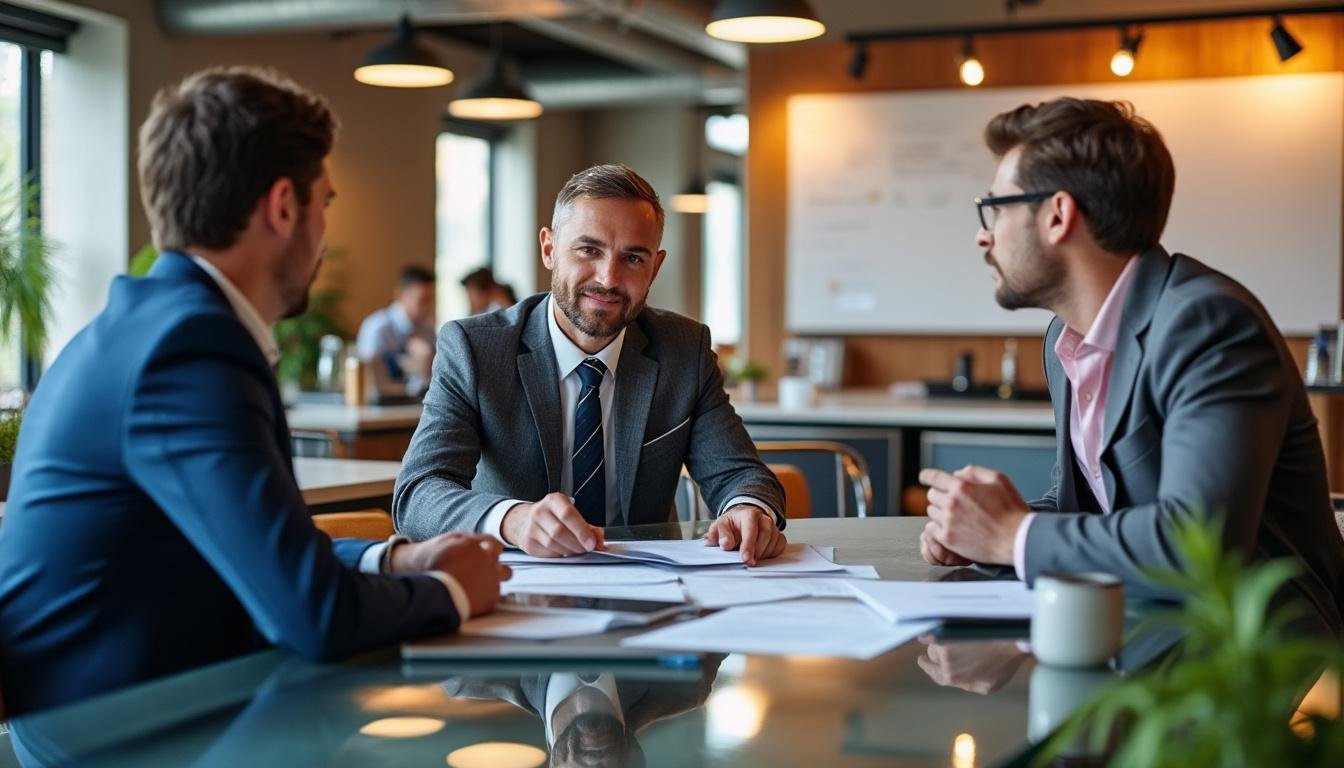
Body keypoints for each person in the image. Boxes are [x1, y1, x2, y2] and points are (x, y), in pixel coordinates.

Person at [0, 67, 508, 716]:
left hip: (166, 703)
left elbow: (264, 547)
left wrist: (394, 559)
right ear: (283, 207)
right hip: (126, 733)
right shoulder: (189, 350)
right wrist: (453, 592)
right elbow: (314, 616)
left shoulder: (149, 326)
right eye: (325, 204)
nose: (325, 233)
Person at [919, 97, 1344, 637]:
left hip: (1265, 671)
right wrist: (980, 530)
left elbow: (1198, 543)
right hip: (1147, 637)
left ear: (1057, 215)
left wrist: (1013, 536)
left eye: (997, 209)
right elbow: (1092, 508)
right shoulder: (1065, 340)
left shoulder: (1208, 324)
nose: (985, 235)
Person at [395, 164, 787, 564]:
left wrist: (747, 509)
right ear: (549, 249)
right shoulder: (476, 349)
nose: (608, 278)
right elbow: (419, 492)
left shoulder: (683, 350)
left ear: (656, 266)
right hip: (516, 585)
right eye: (589, 250)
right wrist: (512, 519)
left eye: (633, 258)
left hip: (652, 585)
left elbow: (740, 474)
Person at [356, 265, 437, 396]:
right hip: (381, 407)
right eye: (422, 300)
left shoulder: (427, 329)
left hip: (414, 405)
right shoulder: (378, 328)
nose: (428, 307)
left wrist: (428, 364)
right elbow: (370, 381)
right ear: (400, 295)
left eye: (430, 299)